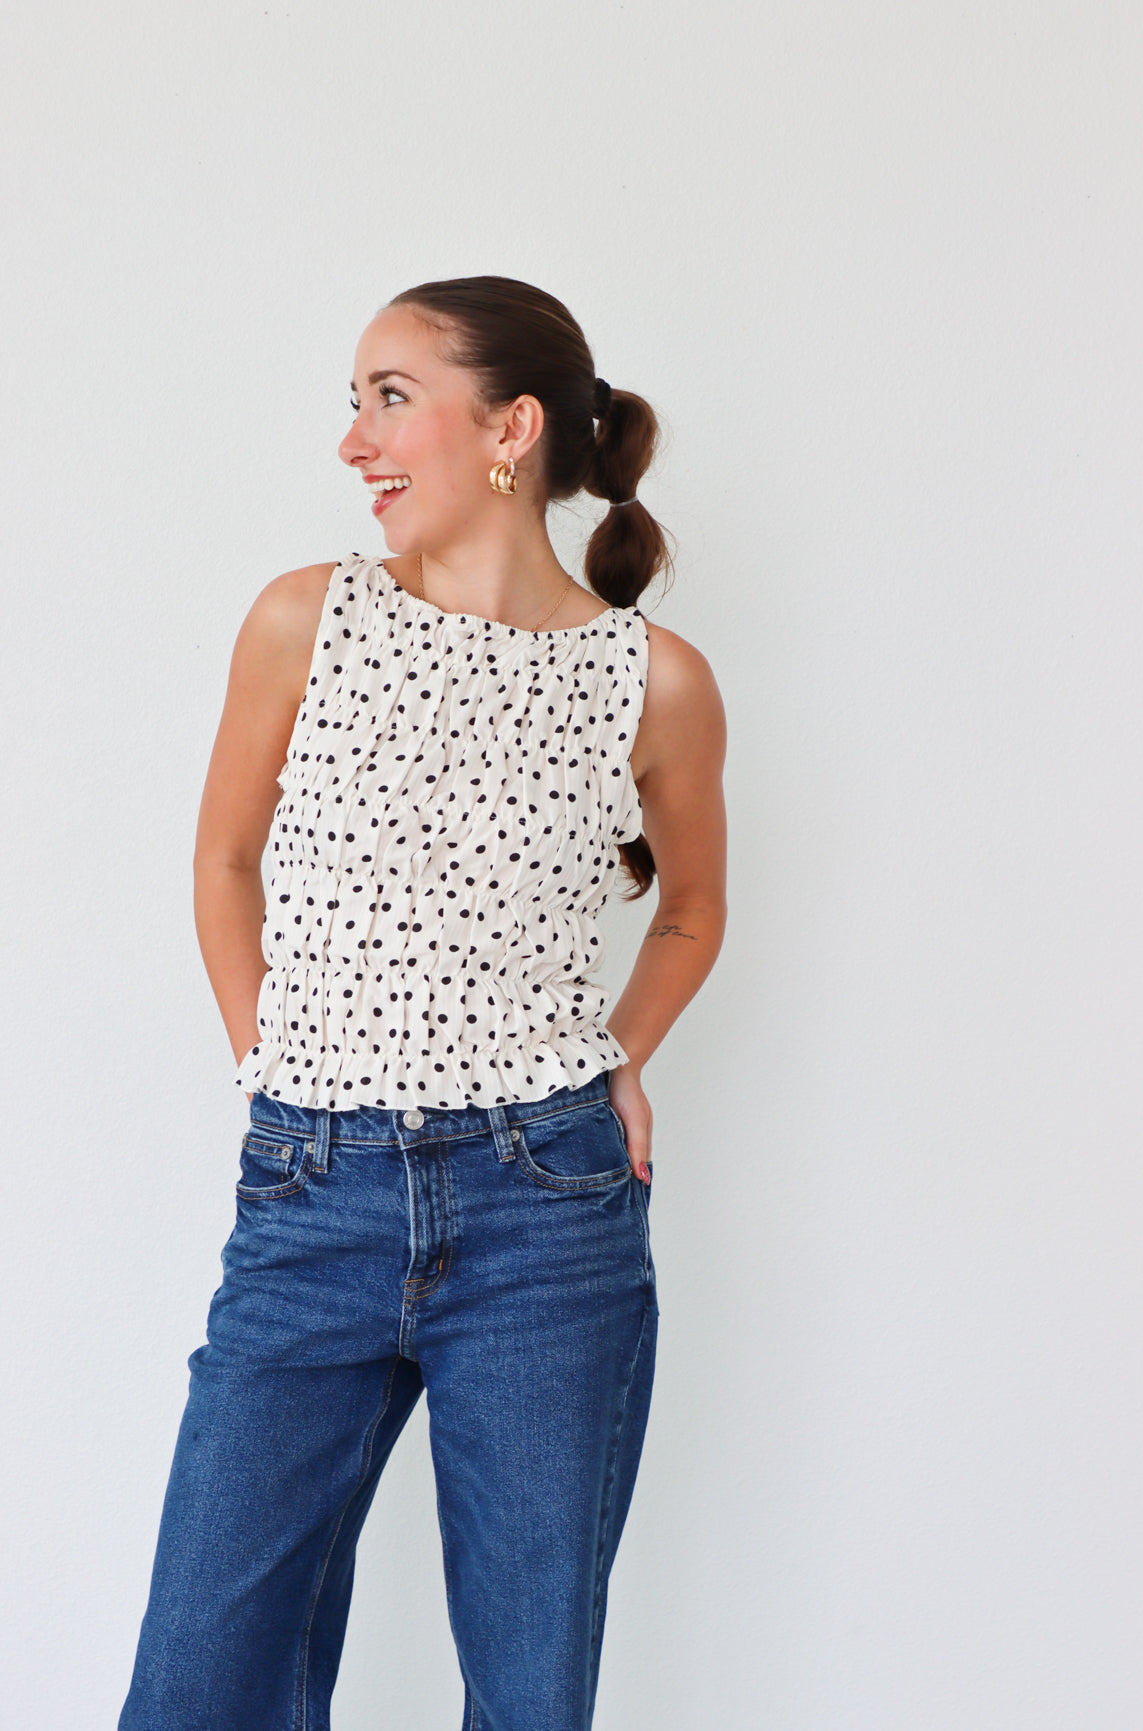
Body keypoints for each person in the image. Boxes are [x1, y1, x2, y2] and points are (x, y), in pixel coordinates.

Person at [118, 274, 727, 1731]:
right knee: (201, 1678)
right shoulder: (303, 618)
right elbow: (221, 857)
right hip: (310, 1187)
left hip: (549, 1209)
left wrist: (621, 1056)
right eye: (354, 402)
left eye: (389, 397)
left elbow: (694, 911)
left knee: (526, 1689)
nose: (353, 441)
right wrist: (273, 1061)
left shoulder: (654, 681)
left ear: (509, 428)